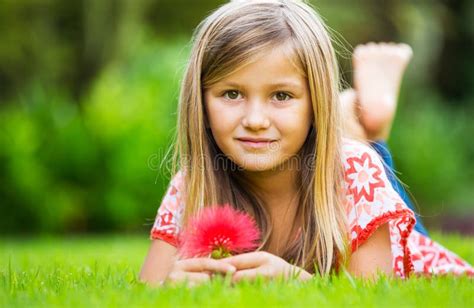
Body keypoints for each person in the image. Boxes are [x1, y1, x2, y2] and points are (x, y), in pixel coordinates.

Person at [140, 0, 474, 286]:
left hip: (404, 250)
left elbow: (374, 295)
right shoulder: (193, 182)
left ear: (316, 104)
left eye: (281, 95)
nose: (255, 120)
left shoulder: (354, 170)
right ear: (199, 102)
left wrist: (295, 280)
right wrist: (172, 285)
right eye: (232, 93)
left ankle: (371, 129)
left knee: (366, 165)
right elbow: (147, 289)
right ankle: (360, 123)